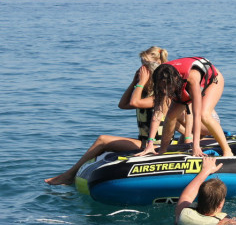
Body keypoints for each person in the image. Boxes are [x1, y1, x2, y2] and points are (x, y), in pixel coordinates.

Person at [45, 46, 169, 185]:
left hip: (155, 144)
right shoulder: (146, 93)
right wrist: (134, 82)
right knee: (105, 145)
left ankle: (68, 176)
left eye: (144, 67)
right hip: (143, 141)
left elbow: (134, 102)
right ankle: (79, 176)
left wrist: (140, 82)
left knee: (103, 140)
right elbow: (122, 105)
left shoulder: (160, 96)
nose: (141, 70)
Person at [136, 57, 233, 158]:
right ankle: (162, 151)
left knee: (204, 115)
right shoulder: (160, 76)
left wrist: (196, 146)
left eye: (167, 88)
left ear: (175, 80)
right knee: (170, 117)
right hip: (180, 82)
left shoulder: (192, 78)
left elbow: (196, 115)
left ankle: (227, 151)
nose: (165, 91)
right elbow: (157, 113)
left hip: (213, 80)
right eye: (162, 88)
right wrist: (150, 144)